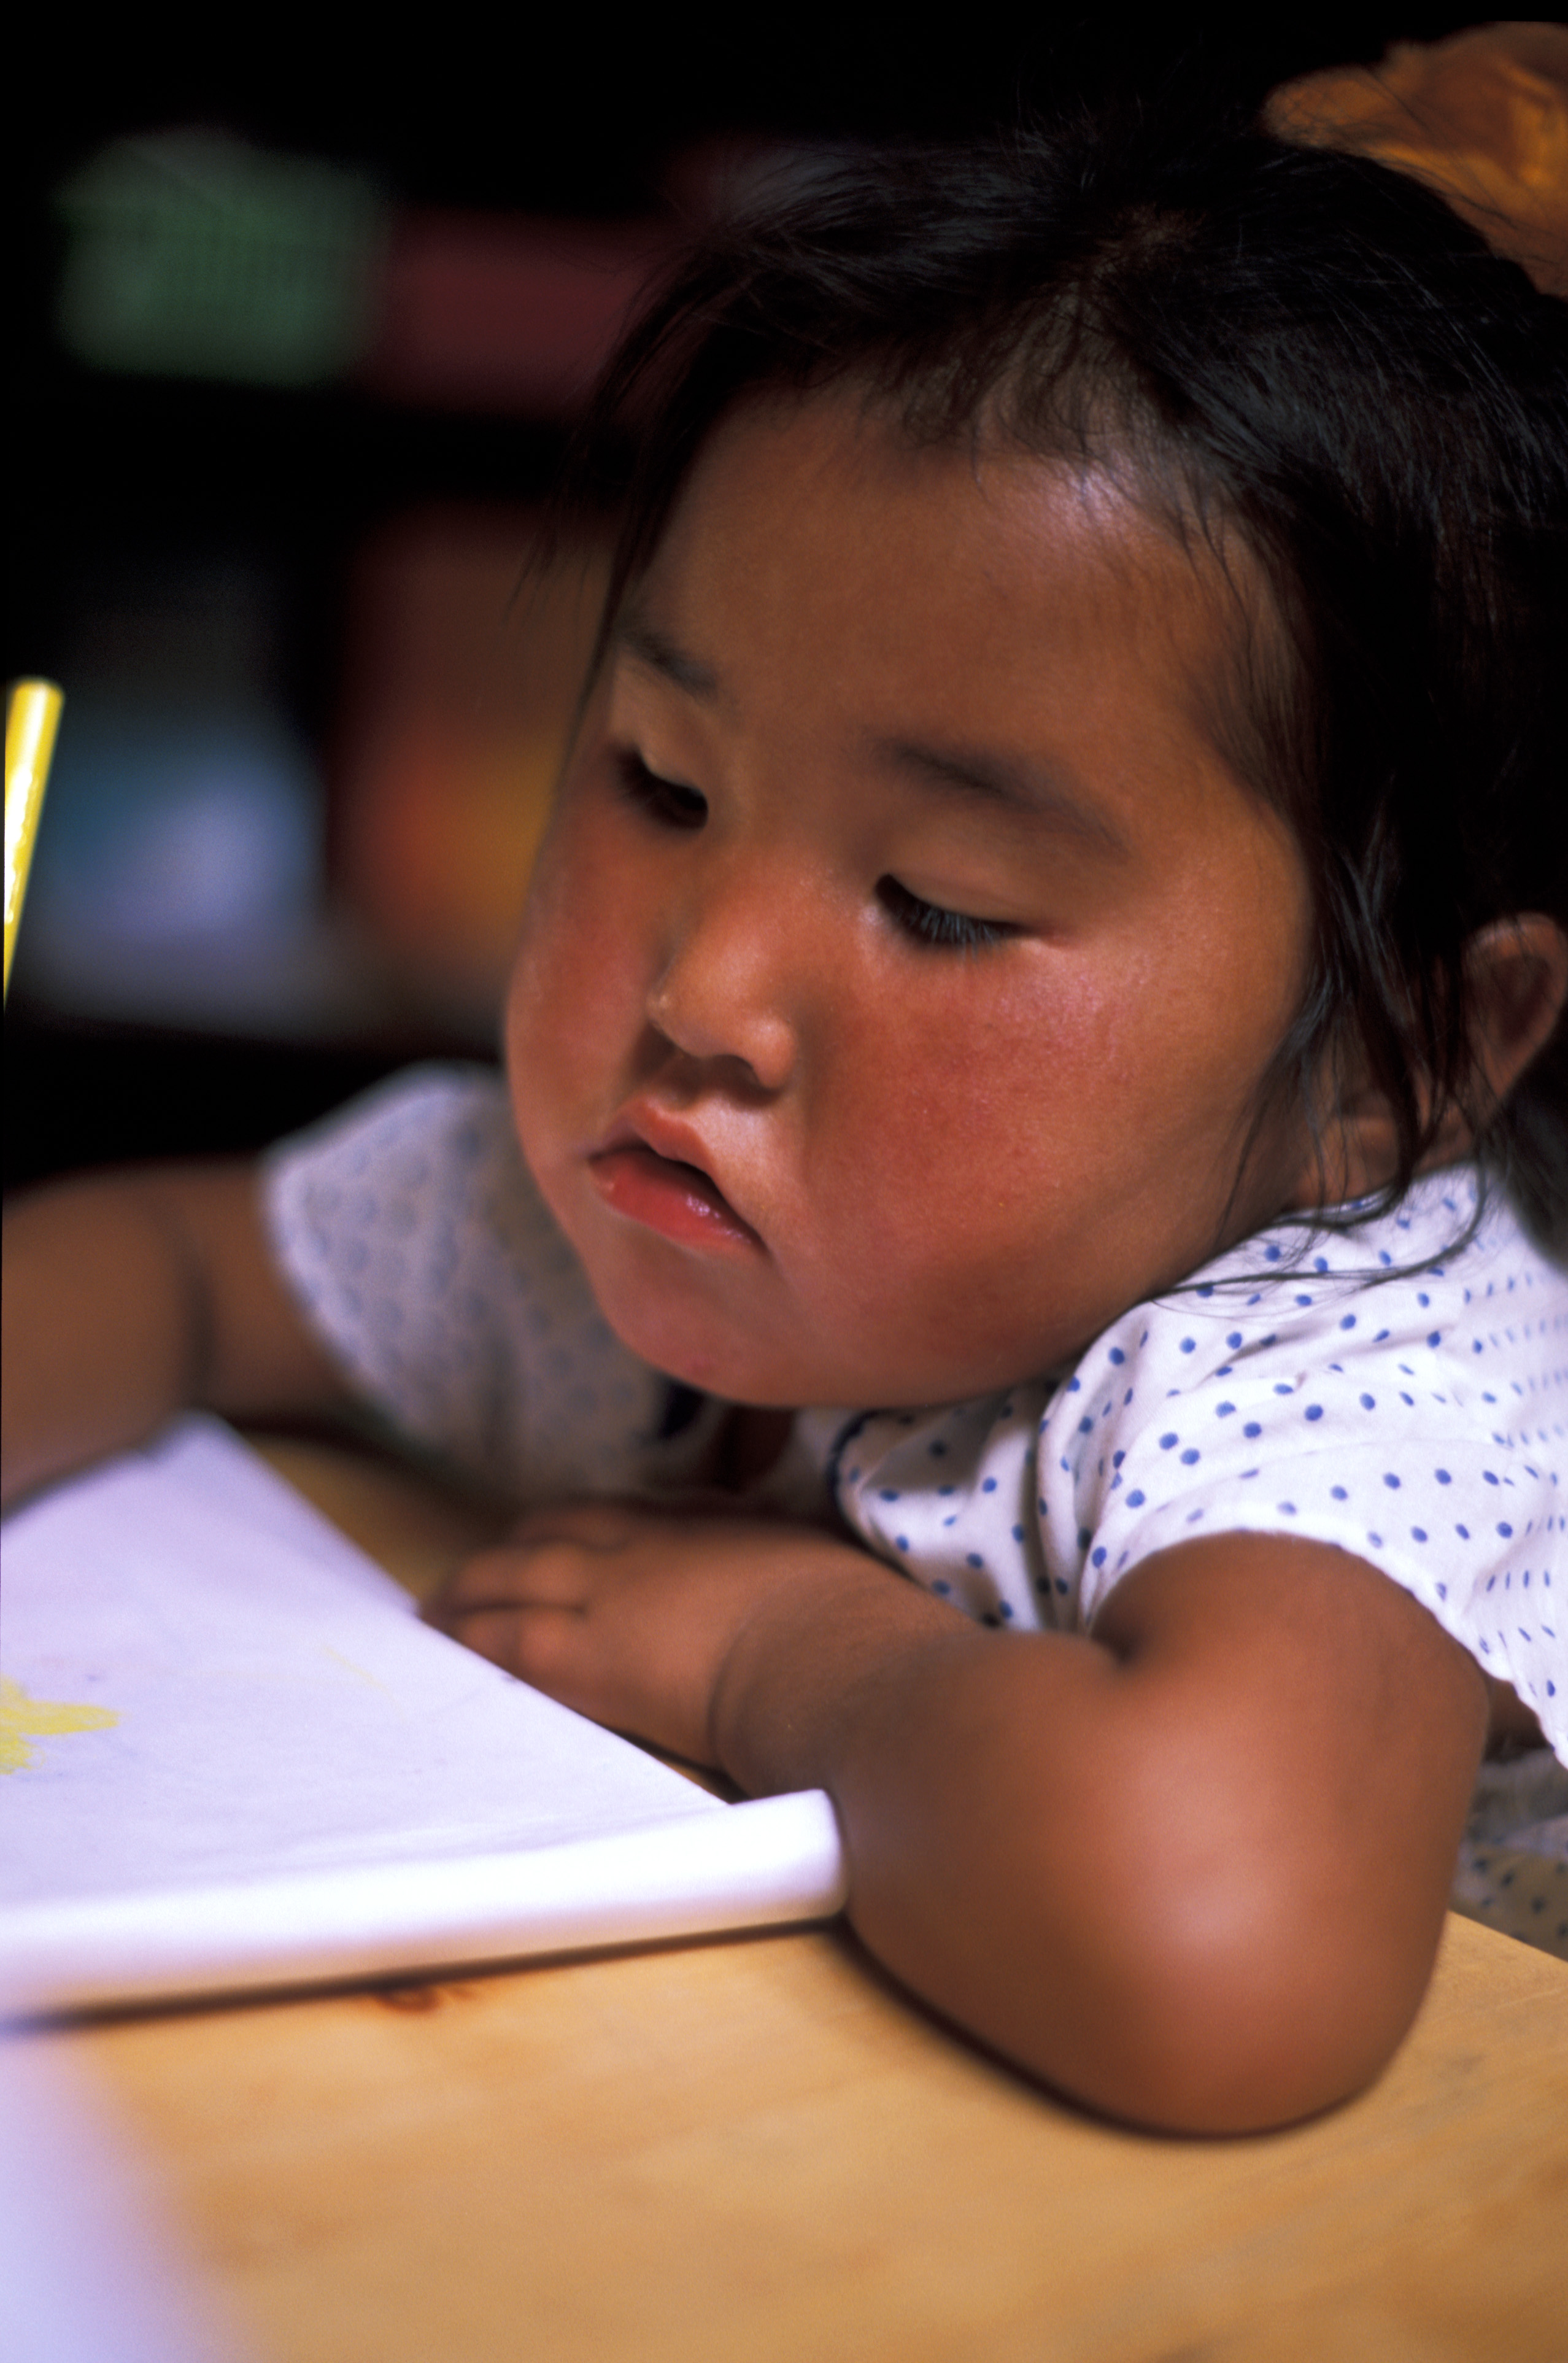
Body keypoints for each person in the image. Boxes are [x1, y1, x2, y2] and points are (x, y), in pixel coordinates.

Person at [5, 105, 1566, 2135]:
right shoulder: (591, 1203)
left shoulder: (1340, 1356)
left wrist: (786, 1664)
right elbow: (167, 1269)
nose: (700, 992)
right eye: (663, 779)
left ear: (1399, 1059)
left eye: (939, 903)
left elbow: (1217, 1939)